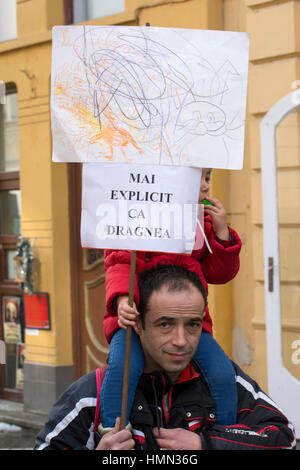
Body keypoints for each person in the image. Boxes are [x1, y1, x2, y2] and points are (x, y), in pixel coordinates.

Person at [35, 265, 296, 450]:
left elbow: (285, 438)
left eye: (193, 325)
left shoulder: (227, 383)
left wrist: (207, 444)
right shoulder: (92, 396)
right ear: (138, 325)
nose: (181, 341)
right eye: (165, 325)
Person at [101, 168, 242, 431]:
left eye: (207, 177)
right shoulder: (137, 213)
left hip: (188, 325)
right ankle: (112, 431)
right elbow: (119, 262)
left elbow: (219, 273)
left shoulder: (203, 223)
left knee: (222, 373)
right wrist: (122, 300)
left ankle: (225, 432)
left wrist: (222, 233)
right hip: (134, 319)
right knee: (123, 368)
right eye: (197, 178)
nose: (205, 187)